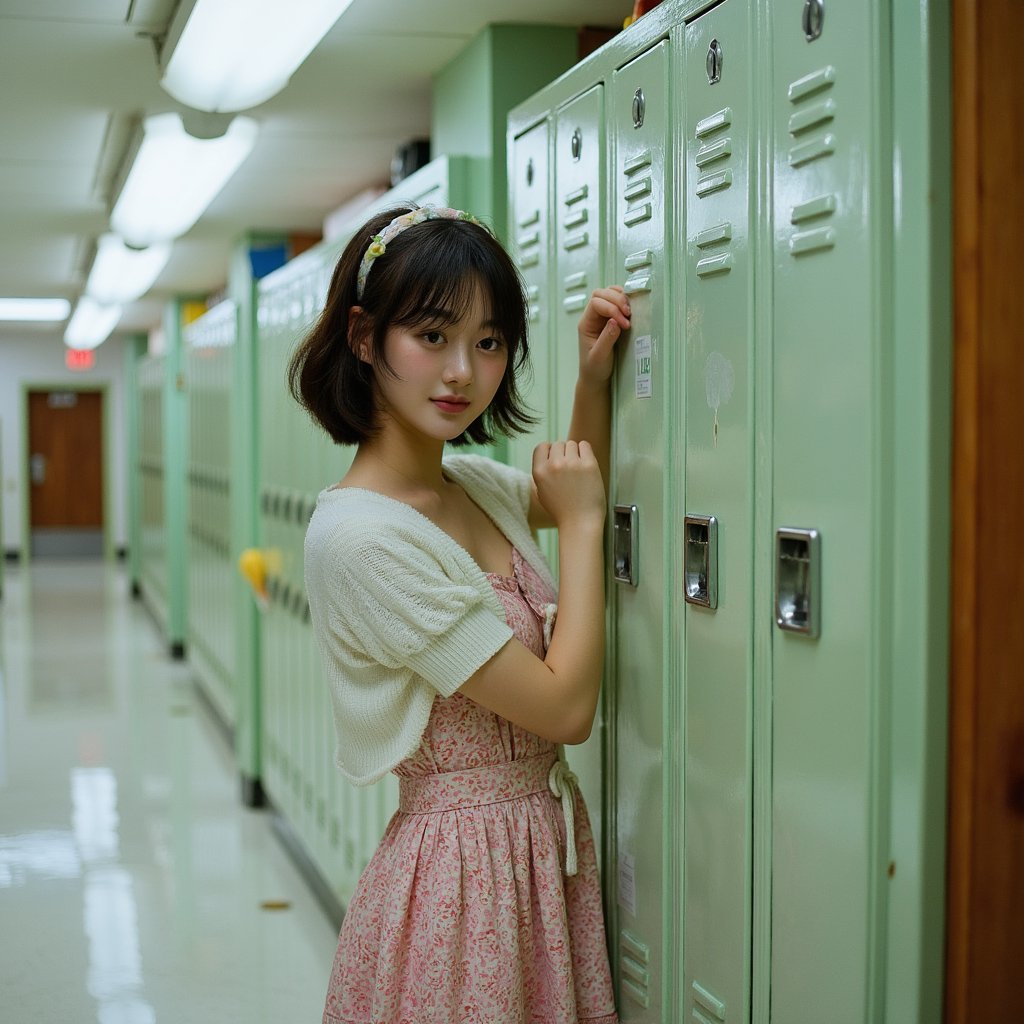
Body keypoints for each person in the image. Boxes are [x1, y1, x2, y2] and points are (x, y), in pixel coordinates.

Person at [289, 203, 631, 1024]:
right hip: (460, 885)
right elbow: (564, 708)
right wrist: (585, 528)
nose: (462, 373)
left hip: (538, 854)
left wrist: (591, 381)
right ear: (366, 337)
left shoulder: (466, 485)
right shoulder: (361, 539)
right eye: (432, 336)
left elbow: (563, 490)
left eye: (488, 342)